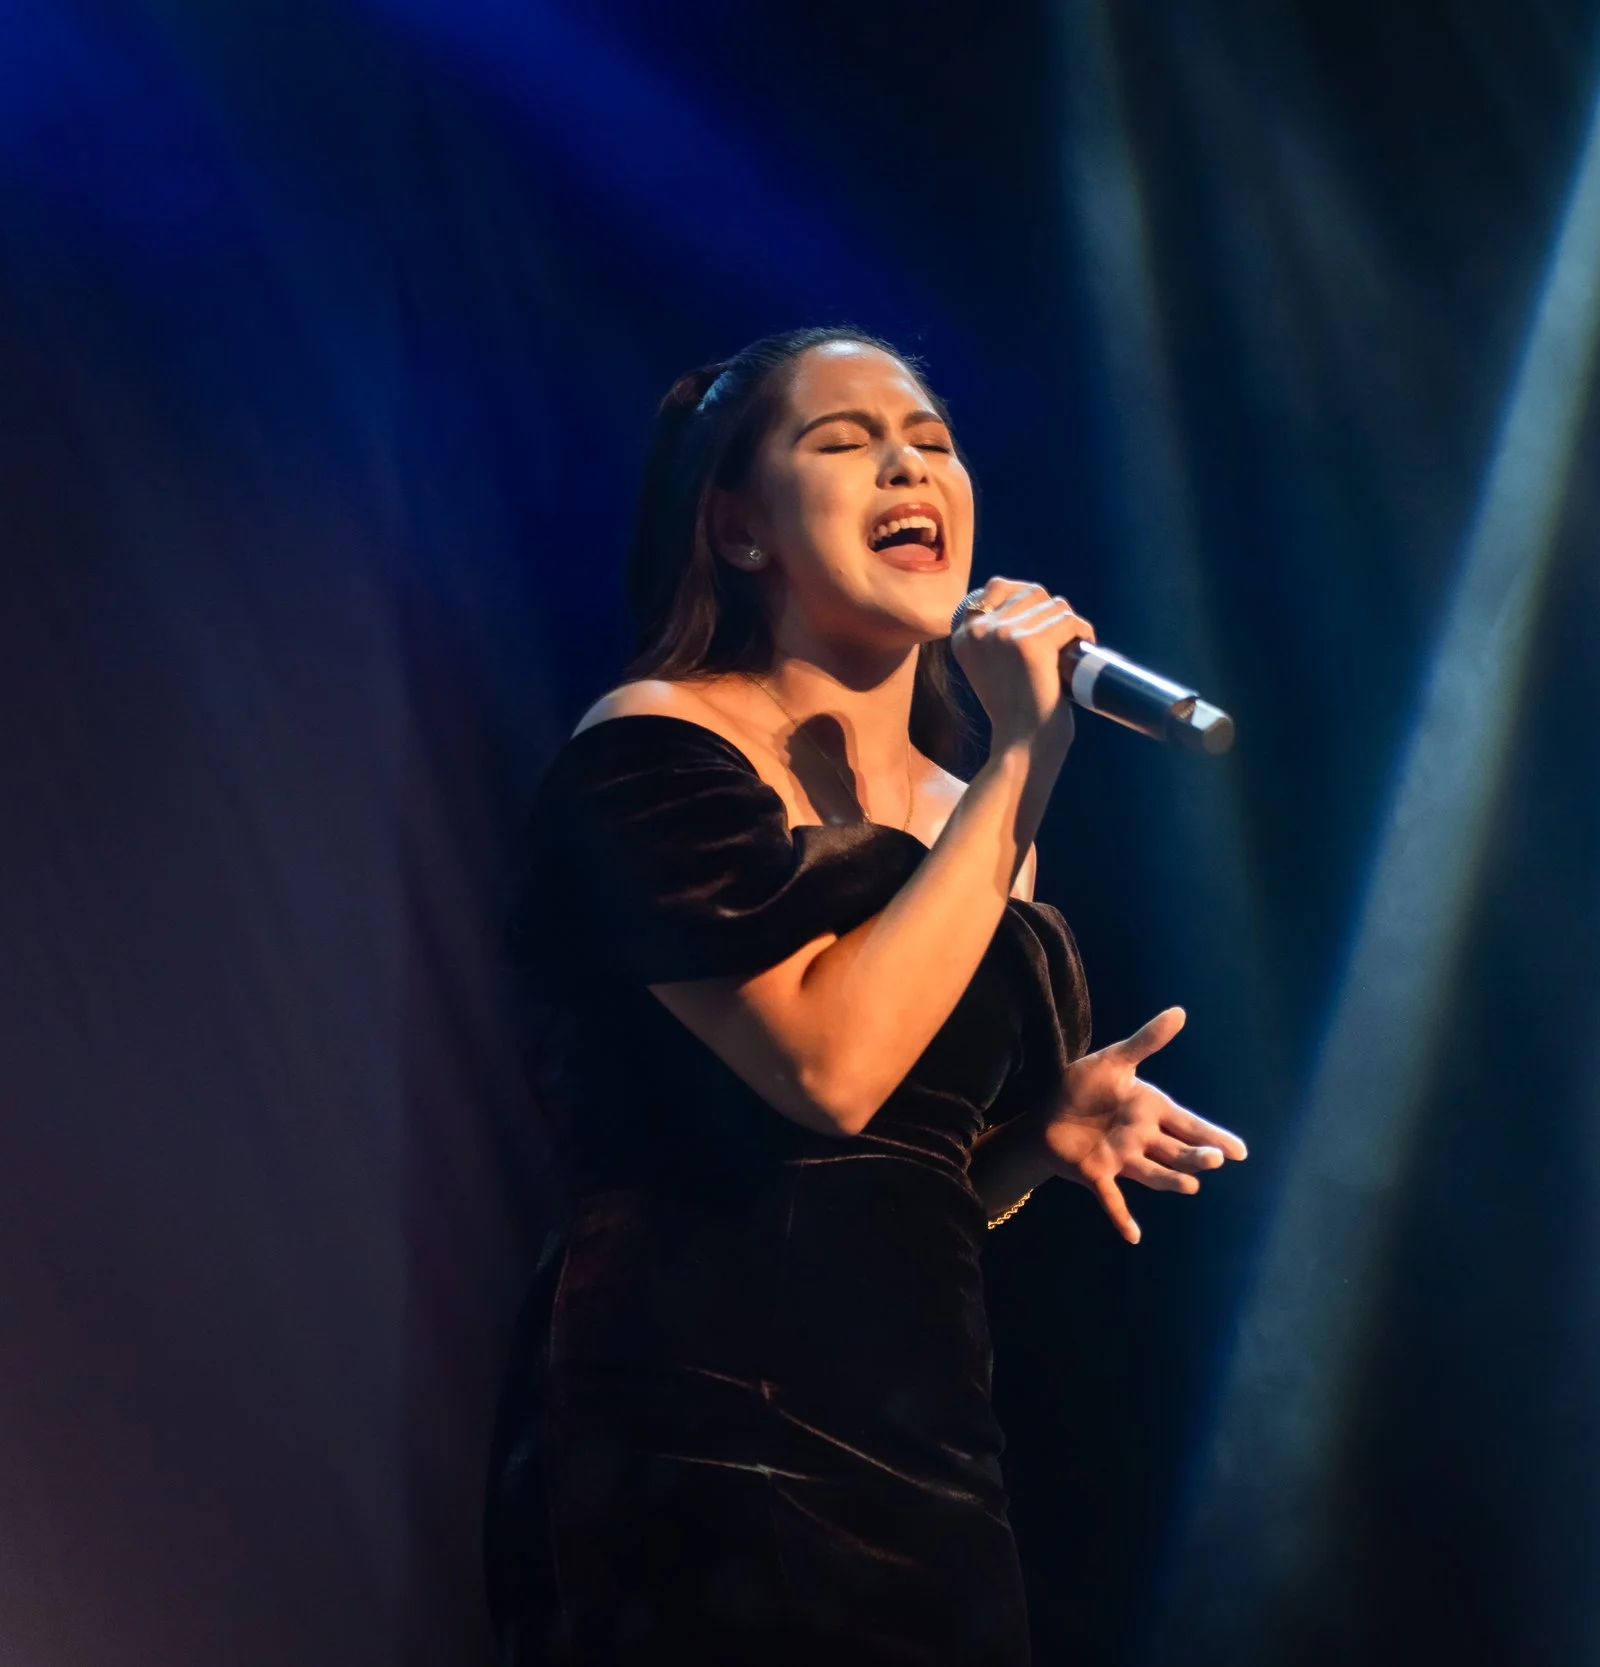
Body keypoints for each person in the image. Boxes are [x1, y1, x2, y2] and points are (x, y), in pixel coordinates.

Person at [484, 325, 1248, 1665]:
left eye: (933, 445)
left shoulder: (974, 811)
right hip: (693, 1425)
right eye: (844, 443)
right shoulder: (655, 744)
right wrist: (1024, 755)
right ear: (737, 530)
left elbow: (886, 1172)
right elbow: (826, 1073)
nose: (909, 466)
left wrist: (1027, 1140)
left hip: (924, 1448)